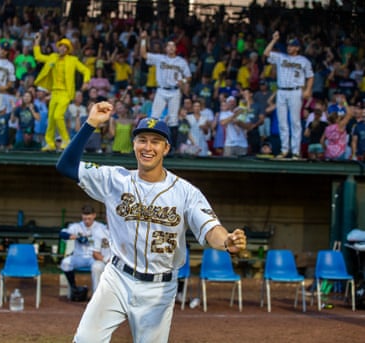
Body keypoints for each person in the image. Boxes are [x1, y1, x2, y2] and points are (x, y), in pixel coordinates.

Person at [55, 101, 247, 342]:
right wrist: (91, 123)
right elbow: (66, 166)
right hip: (117, 278)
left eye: (155, 141)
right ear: (134, 145)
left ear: (166, 148)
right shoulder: (115, 179)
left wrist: (227, 241)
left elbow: (210, 228)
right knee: (84, 339)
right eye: (142, 140)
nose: (148, 147)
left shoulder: (185, 192)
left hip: (159, 287)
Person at [33, 32, 91, 151]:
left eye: (65, 47)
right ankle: (50, 143)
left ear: (68, 50)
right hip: (54, 92)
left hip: (65, 92)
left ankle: (66, 139)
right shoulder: (52, 57)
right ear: (58, 47)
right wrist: (37, 42)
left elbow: (86, 70)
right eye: (61, 46)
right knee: (51, 118)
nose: (63, 48)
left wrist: (86, 82)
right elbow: (38, 57)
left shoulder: (73, 60)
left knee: (58, 115)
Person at [264, 31, 314, 159]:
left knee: (295, 121)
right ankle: (284, 150)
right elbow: (266, 53)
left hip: (295, 90)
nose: (289, 48)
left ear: (297, 48)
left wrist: (308, 90)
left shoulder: (304, 60)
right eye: (288, 46)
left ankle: (296, 151)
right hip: (281, 90)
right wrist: (274, 40)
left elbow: (310, 76)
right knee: (282, 121)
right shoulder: (281, 57)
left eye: (292, 46)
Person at [139, 30, 192, 151]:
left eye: (173, 46)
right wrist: (143, 40)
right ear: (166, 48)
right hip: (161, 90)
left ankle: (172, 147)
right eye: (169, 46)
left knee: (173, 119)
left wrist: (183, 82)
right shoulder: (160, 58)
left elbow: (189, 76)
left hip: (174, 91)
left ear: (176, 49)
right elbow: (144, 54)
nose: (171, 48)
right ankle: (149, 144)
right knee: (154, 117)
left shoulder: (181, 61)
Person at [59, 204, 107, 298]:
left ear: (94, 215)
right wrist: (76, 237)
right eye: (85, 218)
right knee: (65, 263)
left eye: (89, 218)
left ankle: (95, 295)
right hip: (79, 256)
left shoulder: (101, 227)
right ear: (82, 216)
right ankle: (74, 288)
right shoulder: (77, 226)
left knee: (97, 267)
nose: (87, 221)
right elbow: (62, 234)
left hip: (93, 257)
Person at [91, 223, 111, 293]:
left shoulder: (124, 230)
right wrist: (106, 260)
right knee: (96, 267)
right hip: (104, 261)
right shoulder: (99, 231)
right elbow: (95, 253)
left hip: (120, 263)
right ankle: (96, 296)